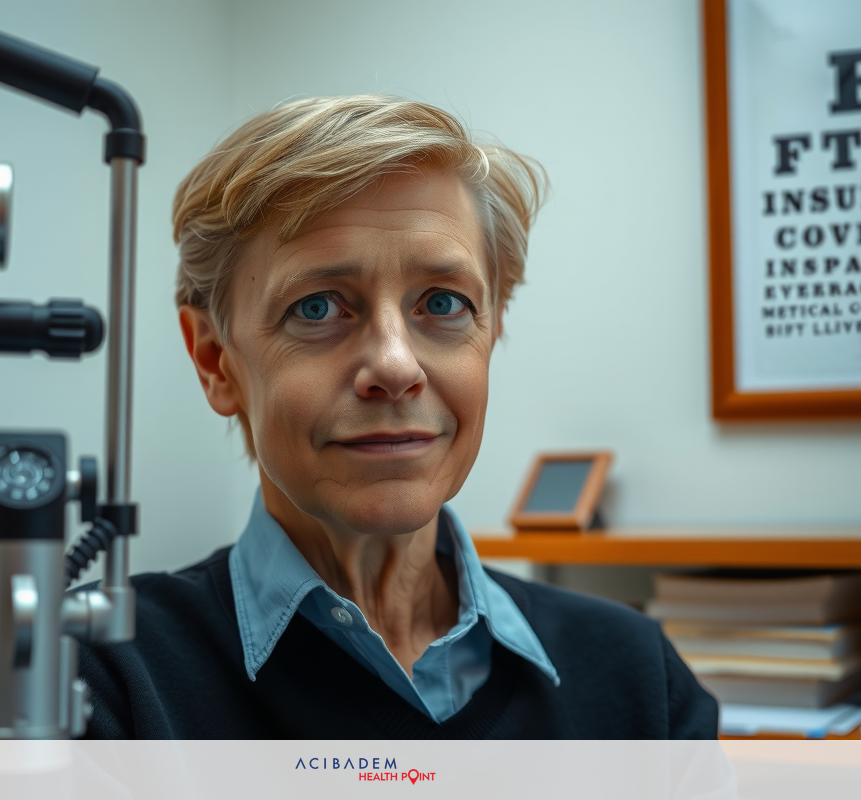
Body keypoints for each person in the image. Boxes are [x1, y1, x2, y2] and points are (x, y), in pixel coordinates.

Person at [78, 95, 717, 738]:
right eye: (318, 308)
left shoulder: (640, 682)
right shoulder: (93, 676)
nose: (395, 366)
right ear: (217, 361)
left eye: (443, 302)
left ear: (491, 332)